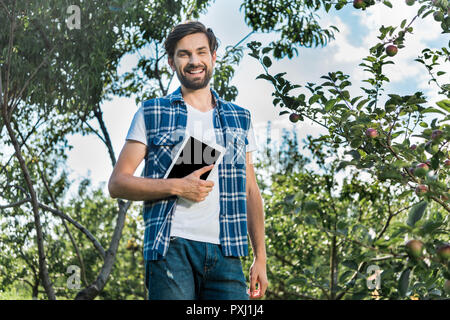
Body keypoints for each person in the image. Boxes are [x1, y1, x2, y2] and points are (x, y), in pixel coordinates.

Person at [108, 20, 268, 300]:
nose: (194, 61)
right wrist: (178, 187)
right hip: (170, 249)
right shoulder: (152, 112)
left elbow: (251, 190)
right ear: (171, 62)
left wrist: (260, 258)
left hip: (226, 252)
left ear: (213, 56)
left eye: (201, 52)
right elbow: (118, 184)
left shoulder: (239, 118)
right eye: (184, 54)